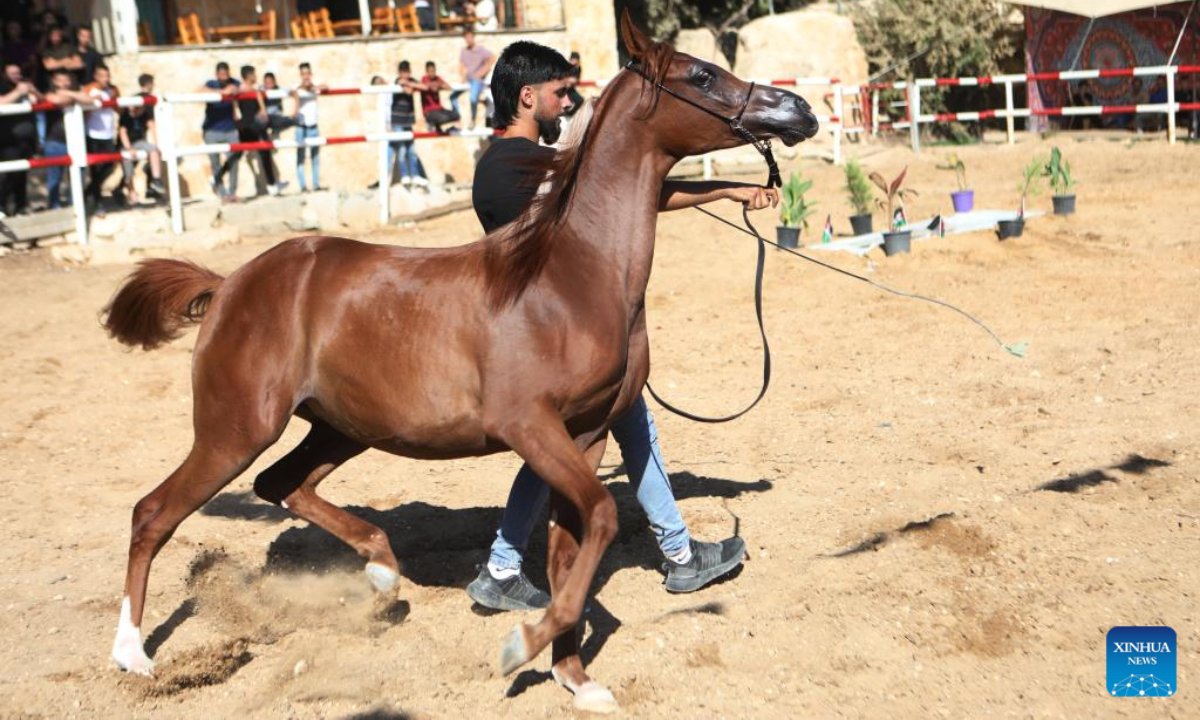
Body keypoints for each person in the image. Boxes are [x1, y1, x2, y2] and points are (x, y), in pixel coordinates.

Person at [465, 41, 777, 611]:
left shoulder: (519, 162)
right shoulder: (512, 167)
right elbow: (636, 198)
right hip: (550, 342)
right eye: (560, 93)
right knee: (562, 444)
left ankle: (679, 554)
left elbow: (639, 195)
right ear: (528, 95)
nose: (567, 102)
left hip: (571, 336)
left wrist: (730, 189)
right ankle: (504, 563)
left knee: (633, 428)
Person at [40, 67, 89, 210]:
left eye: (65, 79)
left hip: (76, 141)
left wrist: (67, 93)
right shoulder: (48, 92)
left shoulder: (74, 91)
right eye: (59, 80)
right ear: (54, 81)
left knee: (78, 176)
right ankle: (54, 207)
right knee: (54, 178)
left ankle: (75, 206)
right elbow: (56, 100)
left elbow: (90, 99)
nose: (63, 83)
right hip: (55, 142)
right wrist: (74, 96)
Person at [236, 65, 287, 196]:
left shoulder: (250, 89)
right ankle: (271, 185)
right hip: (249, 126)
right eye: (254, 73)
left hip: (254, 125)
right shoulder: (242, 89)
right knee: (238, 154)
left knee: (264, 151)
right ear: (249, 75)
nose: (256, 76)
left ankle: (271, 184)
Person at [0, 61, 40, 217]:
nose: (16, 76)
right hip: (8, 141)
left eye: (18, 73)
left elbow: (42, 100)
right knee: (11, 174)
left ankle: (21, 206)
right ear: (5, 74)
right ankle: (2, 205)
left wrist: (33, 90)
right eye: (12, 73)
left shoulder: (25, 85)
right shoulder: (3, 86)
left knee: (23, 174)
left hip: (27, 140)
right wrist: (18, 92)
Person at [117, 73, 164, 204]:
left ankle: (155, 181)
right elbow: (123, 132)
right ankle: (128, 192)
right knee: (129, 172)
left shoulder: (146, 107)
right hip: (128, 144)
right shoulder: (129, 113)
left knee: (152, 152)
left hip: (139, 142)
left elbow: (151, 125)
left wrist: (157, 144)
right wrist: (128, 148)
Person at [383, 60, 427, 188]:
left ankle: (415, 175)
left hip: (408, 121)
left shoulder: (409, 80)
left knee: (412, 150)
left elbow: (424, 87)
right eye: (403, 72)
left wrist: (409, 83)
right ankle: (405, 176)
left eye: (407, 72)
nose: (405, 75)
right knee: (401, 150)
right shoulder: (397, 81)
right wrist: (410, 85)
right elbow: (408, 91)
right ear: (399, 73)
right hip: (397, 121)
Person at [201, 62, 241, 201]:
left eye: (226, 73)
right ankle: (222, 193)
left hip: (230, 129)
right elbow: (199, 91)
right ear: (217, 74)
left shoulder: (234, 82)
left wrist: (232, 90)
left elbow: (238, 89)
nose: (224, 76)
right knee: (215, 163)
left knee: (234, 161)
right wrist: (221, 93)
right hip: (211, 130)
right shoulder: (211, 84)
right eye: (221, 74)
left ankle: (232, 192)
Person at [83, 64, 119, 216]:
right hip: (93, 134)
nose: (106, 79)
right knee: (96, 170)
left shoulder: (112, 90)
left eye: (107, 76)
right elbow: (83, 110)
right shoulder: (90, 90)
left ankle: (88, 192)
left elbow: (119, 109)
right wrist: (91, 101)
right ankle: (97, 203)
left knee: (110, 166)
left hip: (108, 134)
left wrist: (115, 98)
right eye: (103, 76)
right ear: (96, 77)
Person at [292, 62, 325, 192]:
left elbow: (326, 86)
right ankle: (303, 186)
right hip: (301, 127)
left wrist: (312, 87)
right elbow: (291, 91)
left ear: (310, 74)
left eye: (307, 73)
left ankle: (316, 185)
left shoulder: (314, 87)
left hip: (313, 127)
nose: (306, 76)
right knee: (300, 157)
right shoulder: (296, 87)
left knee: (315, 157)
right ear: (300, 75)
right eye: (303, 74)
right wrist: (303, 87)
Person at [453, 29, 494, 130]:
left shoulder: (480, 50)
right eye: (466, 37)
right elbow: (461, 65)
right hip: (468, 80)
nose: (468, 39)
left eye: (470, 37)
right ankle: (457, 120)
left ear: (473, 37)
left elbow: (492, 58)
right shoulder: (464, 51)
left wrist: (482, 72)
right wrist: (462, 77)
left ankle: (472, 120)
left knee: (473, 99)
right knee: (452, 97)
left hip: (477, 80)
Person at [420, 60, 460, 133]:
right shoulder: (424, 78)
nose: (432, 73)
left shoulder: (437, 78)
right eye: (430, 71)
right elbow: (427, 86)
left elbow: (448, 87)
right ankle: (431, 124)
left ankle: (437, 126)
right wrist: (435, 85)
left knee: (456, 115)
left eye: (433, 71)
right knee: (442, 117)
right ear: (426, 71)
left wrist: (438, 85)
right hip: (429, 111)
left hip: (439, 109)